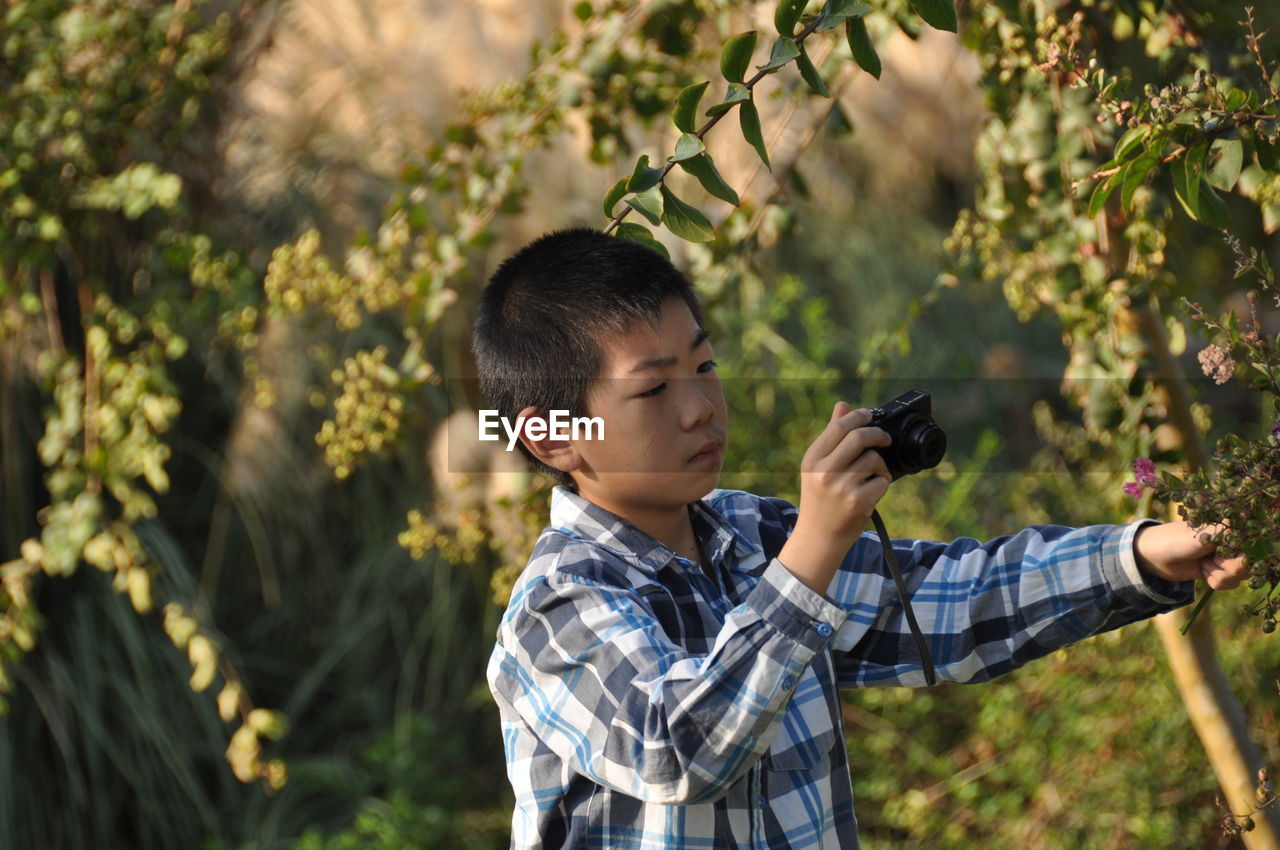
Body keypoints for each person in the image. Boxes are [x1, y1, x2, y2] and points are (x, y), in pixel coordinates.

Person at [473, 227, 1249, 849]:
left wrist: (1144, 553)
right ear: (552, 439)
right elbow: (679, 750)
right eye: (652, 388)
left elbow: (954, 603)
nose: (700, 408)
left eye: (704, 366)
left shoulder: (753, 535)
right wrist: (812, 551)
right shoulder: (557, 609)